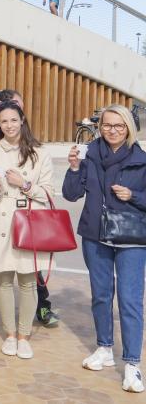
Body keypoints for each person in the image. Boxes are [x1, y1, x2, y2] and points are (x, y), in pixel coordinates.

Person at [63, 105, 146, 393]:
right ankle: (105, 348)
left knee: (129, 300)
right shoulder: (90, 156)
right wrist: (73, 168)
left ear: (128, 128)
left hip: (131, 239)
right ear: (100, 127)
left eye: (119, 126)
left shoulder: (141, 160)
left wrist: (133, 195)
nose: (112, 130)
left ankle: (133, 364)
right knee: (100, 295)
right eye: (107, 125)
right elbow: (71, 194)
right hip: (94, 235)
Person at [0, 100, 53, 360]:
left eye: (13, 119)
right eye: (3, 121)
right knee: (4, 279)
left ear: (22, 120)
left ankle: (24, 335)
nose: (9, 125)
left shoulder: (40, 152)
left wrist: (25, 184)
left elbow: (49, 194)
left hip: (29, 219)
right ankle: (10, 334)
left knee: (29, 281)